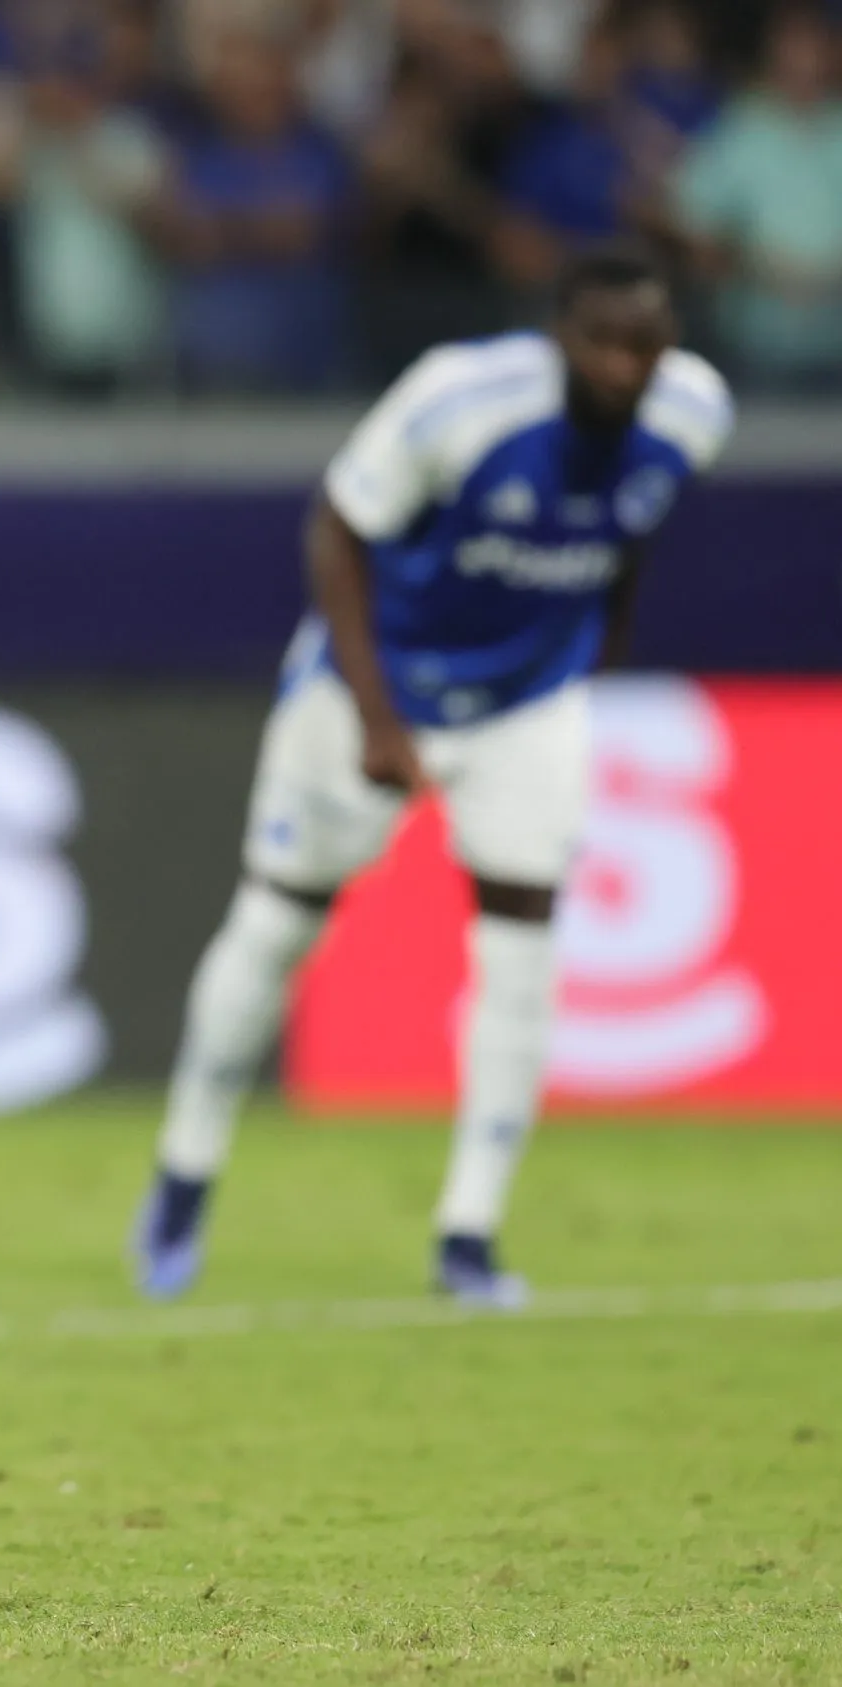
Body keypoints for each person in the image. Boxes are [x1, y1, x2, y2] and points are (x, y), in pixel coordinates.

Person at [131, 245, 732, 1308]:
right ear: (559, 338)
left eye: (645, 345)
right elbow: (337, 528)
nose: (625, 368)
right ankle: (185, 1172)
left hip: (527, 700)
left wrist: (603, 650)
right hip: (373, 688)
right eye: (602, 343)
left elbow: (631, 528)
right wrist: (374, 715)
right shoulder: (462, 400)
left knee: (524, 947)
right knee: (279, 926)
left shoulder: (694, 414)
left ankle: (470, 1232)